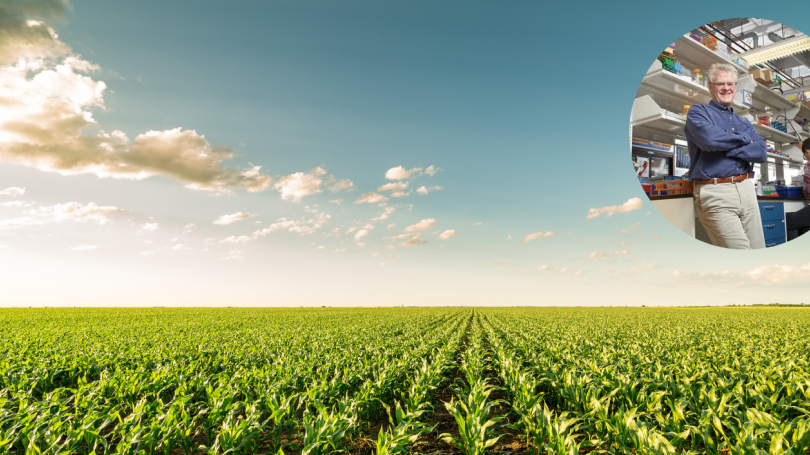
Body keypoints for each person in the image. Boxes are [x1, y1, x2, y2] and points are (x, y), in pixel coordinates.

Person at [684, 62, 767, 249]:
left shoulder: (743, 121)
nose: (726, 88)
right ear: (710, 86)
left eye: (731, 84)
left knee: (759, 251)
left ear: (736, 87)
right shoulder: (698, 112)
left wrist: (726, 146)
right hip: (716, 192)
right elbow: (709, 141)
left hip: (746, 190)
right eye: (721, 83)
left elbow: (761, 153)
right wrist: (746, 141)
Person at [786, 138, 810, 240]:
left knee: (785, 223)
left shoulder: (808, 165)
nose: (806, 157)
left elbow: (808, 190)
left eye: (805, 155)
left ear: (807, 151)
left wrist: (803, 191)